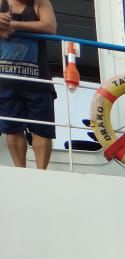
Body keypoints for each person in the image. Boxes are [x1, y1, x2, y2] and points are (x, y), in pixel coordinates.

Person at [0, 0, 57, 170]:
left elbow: (50, 27)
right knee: (12, 128)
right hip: (6, 80)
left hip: (38, 80)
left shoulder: (40, 2)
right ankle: (20, 172)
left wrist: (14, 25)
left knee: (42, 129)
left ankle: (41, 173)